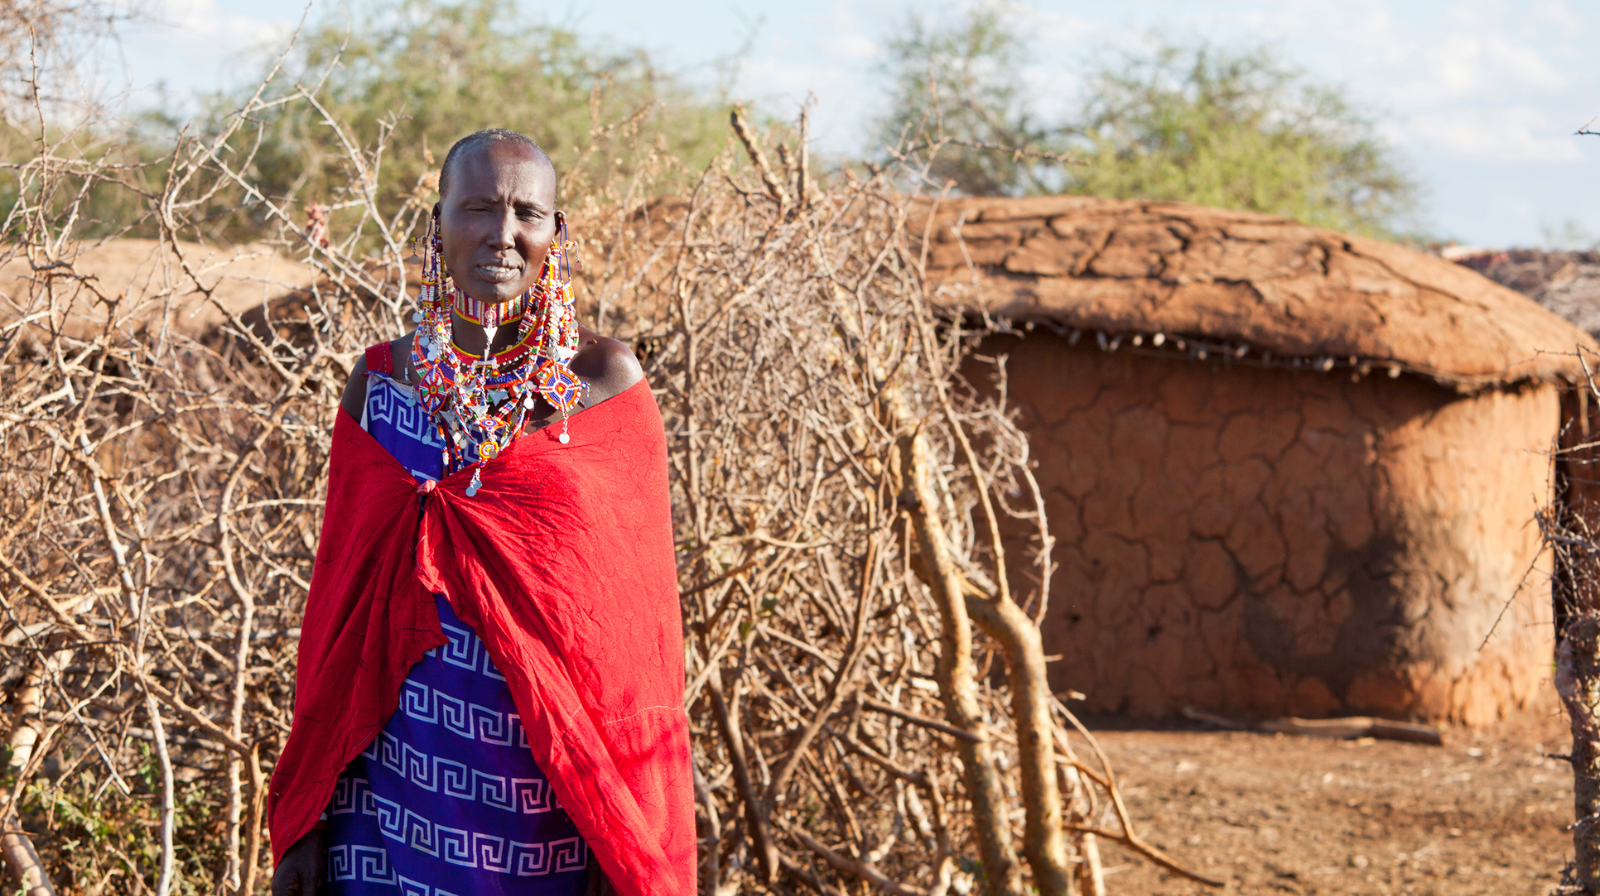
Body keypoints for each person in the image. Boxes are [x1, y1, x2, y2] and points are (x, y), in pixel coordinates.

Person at [268, 129, 693, 896]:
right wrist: (308, 818)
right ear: (437, 225)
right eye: (477, 207)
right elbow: (335, 616)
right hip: (390, 789)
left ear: (554, 234)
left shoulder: (603, 387)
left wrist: (624, 829)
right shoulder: (380, 386)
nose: (502, 233)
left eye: (527, 212)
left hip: (553, 802)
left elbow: (637, 638)